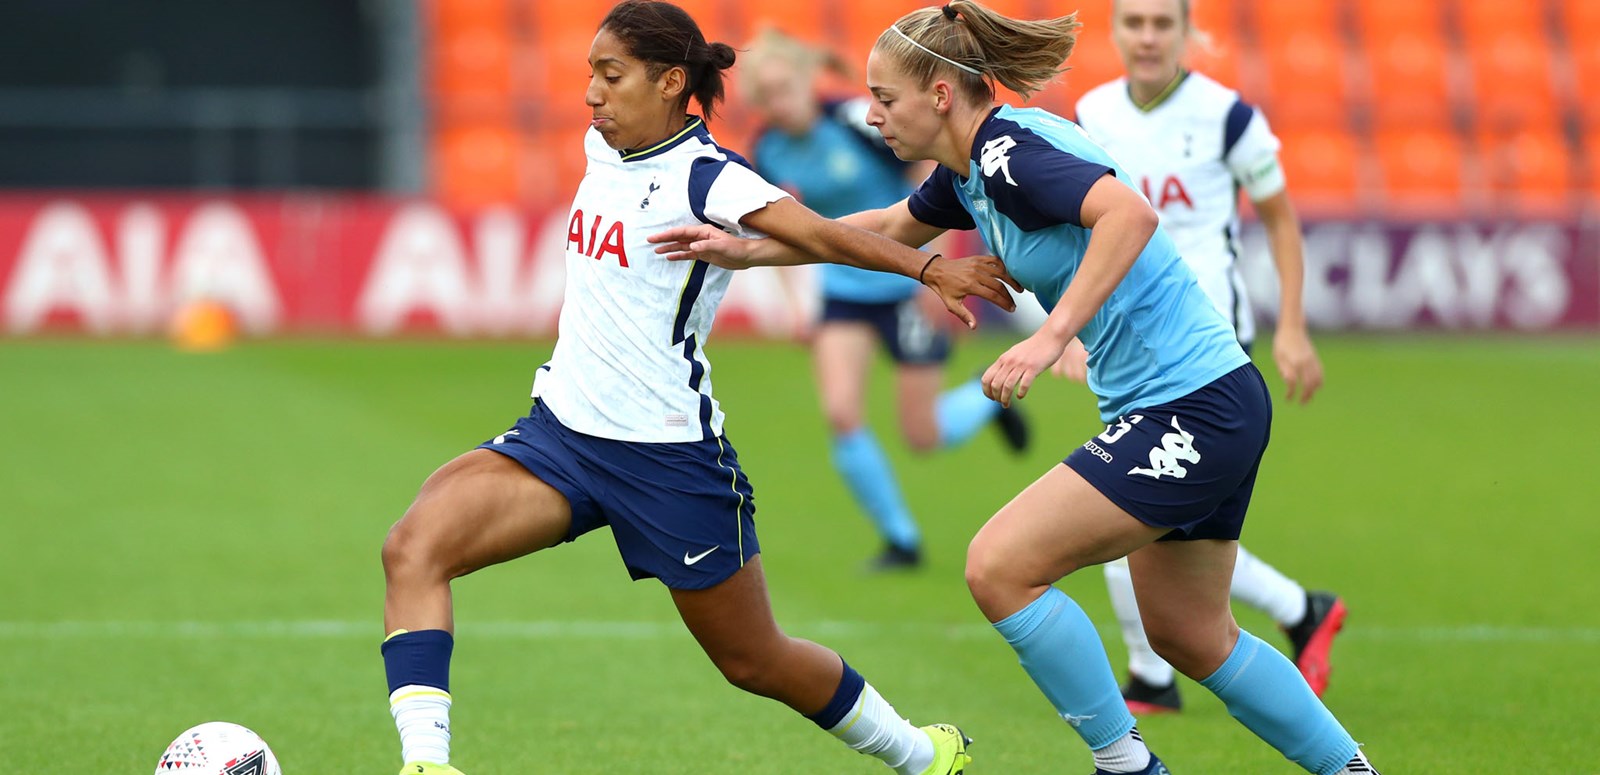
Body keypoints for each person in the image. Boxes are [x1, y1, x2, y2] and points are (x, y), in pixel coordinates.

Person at [649, 3, 1380, 773]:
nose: (873, 115)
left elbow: (1129, 216)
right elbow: (887, 228)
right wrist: (748, 250)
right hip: (1201, 401)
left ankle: (1127, 765)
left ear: (940, 95)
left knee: (999, 564)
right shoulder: (969, 172)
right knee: (1190, 635)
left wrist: (1051, 335)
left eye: (885, 98)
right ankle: (1350, 768)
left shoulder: (1009, 155)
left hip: (1192, 406)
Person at [375, 3, 1018, 773]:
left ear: (670, 81)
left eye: (612, 75)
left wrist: (930, 267)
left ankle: (921, 754)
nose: (591, 93)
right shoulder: (601, 145)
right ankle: (427, 763)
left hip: (668, 458)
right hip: (563, 435)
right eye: (590, 74)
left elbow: (819, 233)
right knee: (414, 547)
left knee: (755, 659)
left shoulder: (708, 176)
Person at [1057, 0, 1346, 714]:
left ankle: (1152, 676)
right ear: (1115, 31)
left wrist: (1293, 326)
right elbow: (1079, 232)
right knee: (1160, 519)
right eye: (1134, 22)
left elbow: (1280, 221)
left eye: (1163, 23)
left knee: (1130, 506)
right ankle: (1298, 610)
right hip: (1127, 341)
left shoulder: (1228, 117)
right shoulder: (1092, 115)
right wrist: (1071, 328)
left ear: (1188, 32)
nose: (1148, 36)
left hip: (1211, 344)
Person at [741, 28, 1030, 571]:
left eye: (784, 89)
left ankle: (984, 401)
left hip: (906, 282)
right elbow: (774, 226)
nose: (778, 104)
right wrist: (797, 305)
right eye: (767, 95)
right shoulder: (769, 149)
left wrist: (934, 272)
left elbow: (930, 175)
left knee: (922, 435)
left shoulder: (856, 121)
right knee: (841, 413)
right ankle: (901, 540)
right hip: (844, 289)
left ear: (807, 81)